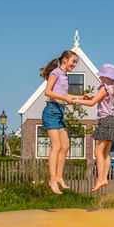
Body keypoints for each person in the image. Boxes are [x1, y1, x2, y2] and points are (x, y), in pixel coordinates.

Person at [40, 50, 89, 194]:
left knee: (66, 146)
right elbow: (48, 92)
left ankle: (59, 177)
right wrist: (67, 100)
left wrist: (81, 97)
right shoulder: (55, 72)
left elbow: (64, 95)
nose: (74, 64)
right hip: (51, 111)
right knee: (56, 146)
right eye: (73, 61)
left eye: (75, 62)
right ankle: (52, 180)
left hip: (60, 112)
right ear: (65, 60)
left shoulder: (65, 75)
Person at [75, 64, 114, 192]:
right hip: (112, 121)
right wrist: (91, 97)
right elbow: (98, 100)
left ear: (106, 76)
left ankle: (100, 179)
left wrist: (77, 100)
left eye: (102, 75)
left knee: (98, 152)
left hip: (105, 121)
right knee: (106, 153)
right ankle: (104, 178)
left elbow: (92, 103)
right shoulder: (112, 88)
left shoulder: (105, 88)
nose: (100, 77)